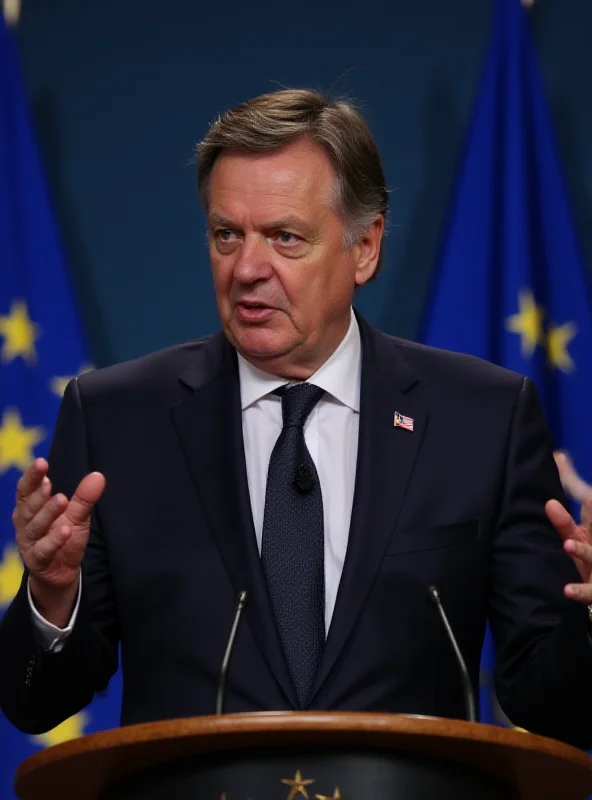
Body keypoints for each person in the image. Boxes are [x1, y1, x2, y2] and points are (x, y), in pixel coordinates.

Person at [1, 89, 592, 748]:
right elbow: (35, 704)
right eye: (227, 234)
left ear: (364, 248)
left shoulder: (484, 417)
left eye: (285, 237)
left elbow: (554, 704)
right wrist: (52, 597)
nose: (249, 269)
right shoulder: (116, 418)